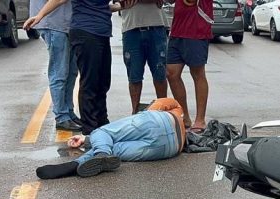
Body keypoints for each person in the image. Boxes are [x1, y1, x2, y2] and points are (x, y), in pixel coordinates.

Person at [25, 0, 137, 136]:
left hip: (102, 32)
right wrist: (39, 15)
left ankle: (102, 123)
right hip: (86, 31)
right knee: (89, 82)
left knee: (102, 82)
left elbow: (99, 6)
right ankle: (90, 129)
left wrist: (121, 6)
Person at [35, 98, 187, 179]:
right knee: (113, 150)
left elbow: (160, 104)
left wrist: (89, 138)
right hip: (171, 147)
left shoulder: (172, 105)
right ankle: (79, 164)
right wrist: (86, 141)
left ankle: (87, 157)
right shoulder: (181, 118)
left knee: (102, 132)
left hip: (157, 121)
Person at [28, 0, 82, 131]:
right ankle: (61, 117)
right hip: (53, 24)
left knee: (71, 73)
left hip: (64, 24)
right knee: (60, 73)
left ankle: (69, 112)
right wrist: (40, 16)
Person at [165, 0, 213, 134]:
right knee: (171, 73)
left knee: (198, 73)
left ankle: (200, 120)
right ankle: (185, 117)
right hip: (177, 30)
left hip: (196, 31)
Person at [120, 0, 169, 115]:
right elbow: (121, 2)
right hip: (131, 29)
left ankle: (163, 113)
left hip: (156, 27)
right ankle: (135, 113)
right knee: (134, 76)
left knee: (160, 74)